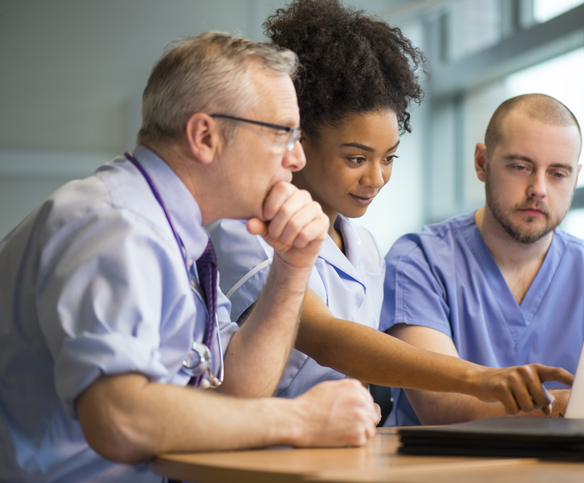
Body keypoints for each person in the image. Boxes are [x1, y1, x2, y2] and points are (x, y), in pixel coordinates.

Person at [0, 32, 380, 483]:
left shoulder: (176, 234)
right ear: (205, 136)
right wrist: (301, 420)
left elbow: (239, 390)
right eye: (284, 134)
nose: (296, 159)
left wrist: (293, 266)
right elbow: (118, 418)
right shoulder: (116, 225)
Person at [209, 0, 572, 420]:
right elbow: (330, 340)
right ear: (300, 142)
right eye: (356, 159)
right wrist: (478, 379)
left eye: (389, 158)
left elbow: (356, 375)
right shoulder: (246, 231)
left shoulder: (362, 245)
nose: (376, 178)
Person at [380, 93, 584, 426]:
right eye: (520, 167)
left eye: (558, 173)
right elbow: (442, 407)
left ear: (576, 178)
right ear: (482, 163)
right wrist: (569, 403)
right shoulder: (420, 261)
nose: (538, 188)